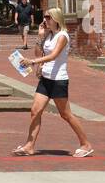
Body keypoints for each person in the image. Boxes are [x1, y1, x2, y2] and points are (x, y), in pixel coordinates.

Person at [13, 8, 93, 158]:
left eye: (48, 17)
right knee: (35, 111)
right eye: (44, 17)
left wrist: (32, 62)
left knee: (65, 114)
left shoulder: (62, 36)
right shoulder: (49, 35)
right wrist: (40, 37)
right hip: (46, 79)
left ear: (56, 19)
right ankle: (29, 146)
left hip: (58, 80)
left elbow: (54, 56)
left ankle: (86, 144)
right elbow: (40, 53)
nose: (45, 20)